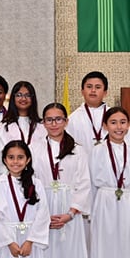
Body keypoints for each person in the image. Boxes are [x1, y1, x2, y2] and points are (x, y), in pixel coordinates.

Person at [31, 103, 91, 258]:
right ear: (43, 123)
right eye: (49, 120)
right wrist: (42, 215)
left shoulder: (78, 150)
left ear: (66, 121)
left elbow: (84, 185)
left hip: (69, 210)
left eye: (58, 119)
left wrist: (70, 214)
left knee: (70, 250)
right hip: (45, 208)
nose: (54, 124)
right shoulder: (34, 149)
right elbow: (30, 182)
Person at [0, 140, 50, 258]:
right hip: (9, 242)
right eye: (11, 157)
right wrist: (9, 243)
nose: (15, 161)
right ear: (5, 160)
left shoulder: (36, 184)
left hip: (31, 241)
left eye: (20, 157)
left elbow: (43, 214)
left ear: (28, 160)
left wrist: (30, 240)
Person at [89, 107, 130, 258]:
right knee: (105, 242)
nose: (119, 127)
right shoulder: (97, 150)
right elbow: (92, 183)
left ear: (128, 125)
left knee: (126, 241)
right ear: (105, 126)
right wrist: (92, 209)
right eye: (113, 122)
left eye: (123, 122)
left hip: (127, 200)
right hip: (104, 202)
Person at [0, 81, 46, 176]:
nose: (23, 98)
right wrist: (13, 179)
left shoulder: (42, 126)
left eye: (28, 95)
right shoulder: (3, 127)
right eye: (19, 95)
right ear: (13, 98)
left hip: (38, 178)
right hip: (11, 180)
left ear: (33, 98)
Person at [66, 71, 110, 154]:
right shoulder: (73, 118)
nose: (93, 90)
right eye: (89, 87)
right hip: (83, 165)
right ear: (82, 91)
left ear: (105, 93)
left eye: (98, 87)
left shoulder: (114, 116)